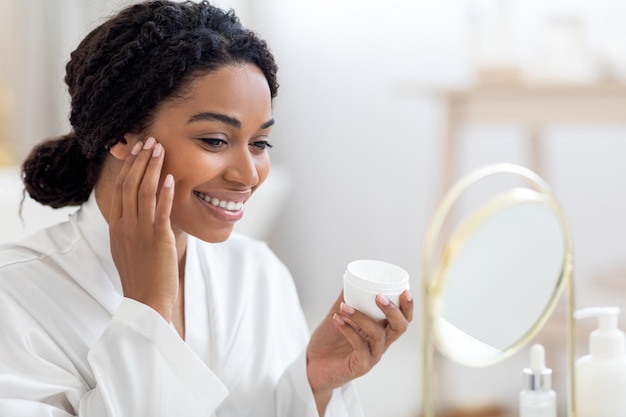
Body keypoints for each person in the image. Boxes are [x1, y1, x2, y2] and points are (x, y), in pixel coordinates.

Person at [0, 1, 413, 416]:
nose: (248, 175)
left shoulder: (258, 274)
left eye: (260, 143)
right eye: (215, 140)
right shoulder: (14, 297)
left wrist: (312, 385)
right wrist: (147, 313)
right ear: (122, 136)